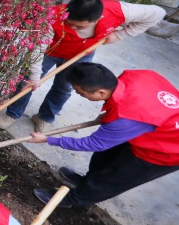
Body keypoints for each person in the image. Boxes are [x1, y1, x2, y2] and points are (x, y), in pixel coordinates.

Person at [0, 0, 165, 131]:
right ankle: (13, 113)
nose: (72, 28)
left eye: (78, 26)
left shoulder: (118, 11)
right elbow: (37, 50)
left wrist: (122, 34)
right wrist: (35, 76)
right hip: (49, 52)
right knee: (27, 82)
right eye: (69, 24)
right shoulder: (53, 16)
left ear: (95, 19)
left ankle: (44, 117)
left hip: (81, 55)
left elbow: (157, 13)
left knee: (64, 87)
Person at [31, 63, 179, 209]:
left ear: (101, 93)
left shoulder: (125, 119)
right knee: (103, 157)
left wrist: (48, 139)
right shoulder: (133, 77)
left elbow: (91, 143)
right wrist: (111, 113)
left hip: (166, 150)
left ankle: (73, 199)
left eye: (81, 93)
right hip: (149, 126)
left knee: (113, 177)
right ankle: (86, 180)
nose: (79, 95)